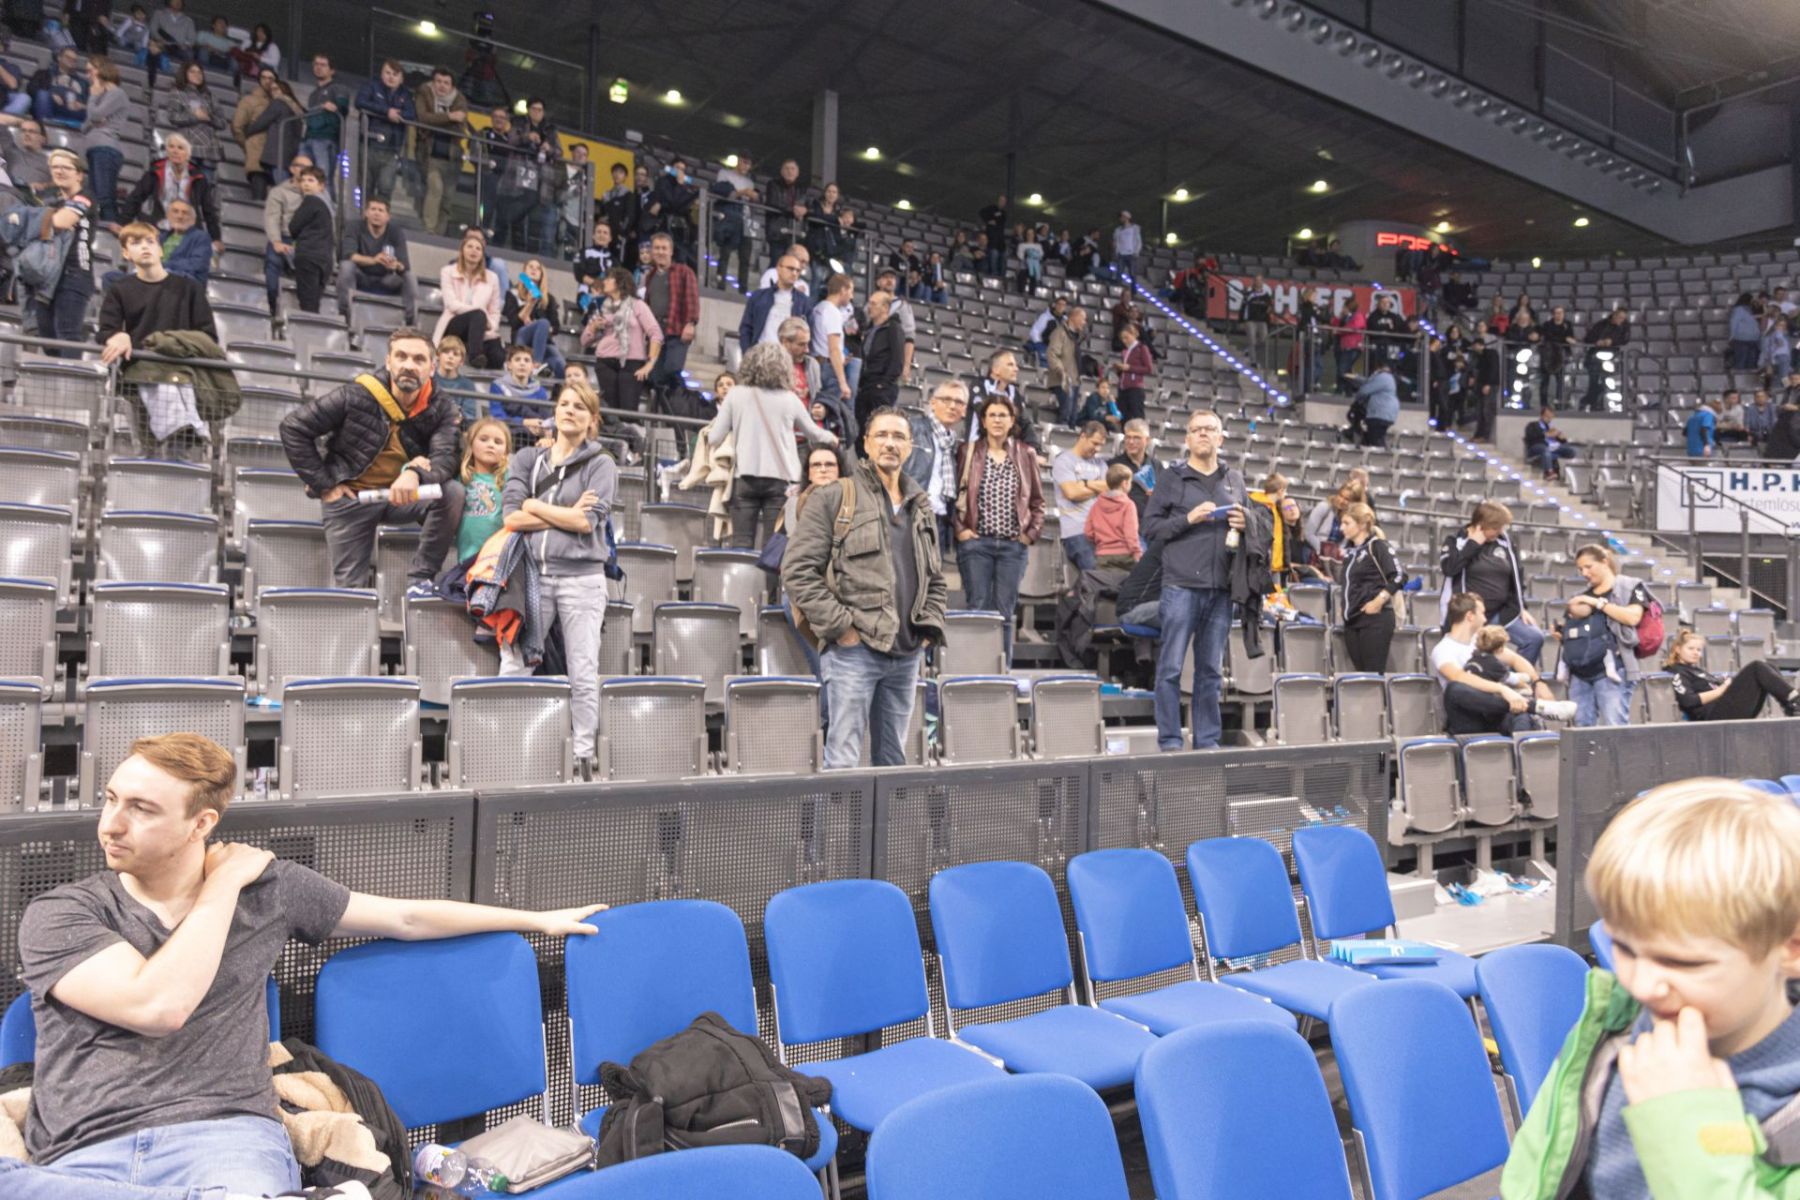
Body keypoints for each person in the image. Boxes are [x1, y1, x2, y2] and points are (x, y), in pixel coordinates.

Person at [2, 731, 603, 1200]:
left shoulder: (271, 891)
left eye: (141, 809)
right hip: (84, 1150)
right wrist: (223, 885)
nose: (110, 823)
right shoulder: (63, 913)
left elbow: (406, 917)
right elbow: (157, 1005)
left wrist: (535, 918)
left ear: (201, 824)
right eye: (111, 799)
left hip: (223, 1137)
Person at [1501, 779, 1800, 1199]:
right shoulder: (1614, 1024)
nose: (1640, 984)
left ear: (1791, 949)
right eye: (1623, 948)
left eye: (1682, 962)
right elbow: (1538, 1168)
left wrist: (1685, 1125)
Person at [784, 406, 946, 769]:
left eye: (899, 436)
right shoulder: (834, 496)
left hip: (906, 654)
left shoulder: (921, 506)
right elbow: (797, 571)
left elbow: (935, 578)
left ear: (910, 447)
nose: (890, 443)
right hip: (853, 652)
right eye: (882, 435)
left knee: (893, 760)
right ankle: (842, 815)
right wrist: (842, 629)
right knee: (842, 760)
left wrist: (928, 629)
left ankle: (883, 814)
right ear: (866, 444)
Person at [277, 328, 465, 592]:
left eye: (419, 359)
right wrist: (324, 484)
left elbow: (445, 457)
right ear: (388, 361)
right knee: (351, 592)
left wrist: (415, 473)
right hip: (351, 497)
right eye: (401, 356)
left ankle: (421, 579)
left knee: (452, 493)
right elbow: (294, 427)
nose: (409, 365)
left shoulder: (443, 407)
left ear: (432, 368)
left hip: (400, 495)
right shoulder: (356, 394)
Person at [498, 383, 614, 763]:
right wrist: (561, 512)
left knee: (583, 671)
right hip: (533, 576)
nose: (570, 411)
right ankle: (505, 750)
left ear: (592, 419)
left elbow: (585, 523)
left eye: (580, 407)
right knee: (515, 664)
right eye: (564, 404)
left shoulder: (601, 464)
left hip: (583, 580)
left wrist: (534, 506)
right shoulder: (529, 459)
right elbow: (511, 517)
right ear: (555, 412)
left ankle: (583, 755)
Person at [1144, 409, 1247, 751]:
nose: (1203, 433)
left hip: (1221, 590)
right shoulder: (1171, 478)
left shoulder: (1235, 480)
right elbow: (1150, 528)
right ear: (1187, 438)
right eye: (1196, 429)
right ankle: (1170, 742)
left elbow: (1252, 525)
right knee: (1171, 668)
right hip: (1181, 586)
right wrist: (1187, 519)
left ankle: (1207, 742)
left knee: (1211, 672)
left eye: (1210, 429)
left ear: (1221, 438)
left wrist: (1246, 524)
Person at [707, 341, 837, 550]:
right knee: (774, 548)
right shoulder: (790, 399)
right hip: (782, 481)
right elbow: (814, 433)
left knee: (740, 545)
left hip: (744, 477)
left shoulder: (736, 394)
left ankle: (741, 572)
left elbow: (714, 437)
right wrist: (832, 438)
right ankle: (768, 573)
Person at [953, 393, 1043, 663]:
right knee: (977, 609)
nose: (997, 420)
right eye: (991, 415)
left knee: (1005, 613)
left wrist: (1029, 535)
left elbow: (1037, 501)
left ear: (1012, 420)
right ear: (983, 420)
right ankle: (974, 668)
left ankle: (1001, 670)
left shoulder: (1026, 453)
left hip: (1012, 547)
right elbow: (954, 493)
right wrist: (960, 530)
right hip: (976, 544)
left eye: (1003, 415)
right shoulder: (968, 451)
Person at [1431, 593, 1573, 734]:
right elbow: (1459, 677)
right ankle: (1534, 707)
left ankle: (1523, 742)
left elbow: (1516, 660)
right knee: (1454, 688)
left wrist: (1538, 682)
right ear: (1470, 616)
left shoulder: (1480, 641)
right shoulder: (1442, 649)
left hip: (1495, 712)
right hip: (1468, 718)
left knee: (1520, 714)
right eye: (1482, 613)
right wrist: (1503, 689)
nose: (1485, 618)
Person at [1440, 499, 1544, 666]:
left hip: (1500, 613)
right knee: (1474, 660)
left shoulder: (1505, 542)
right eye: (1496, 528)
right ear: (1481, 525)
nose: (1500, 531)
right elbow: (1449, 569)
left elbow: (1517, 575)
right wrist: (1473, 544)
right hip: (1469, 616)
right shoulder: (1456, 541)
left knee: (1534, 638)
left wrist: (1521, 607)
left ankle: (1512, 680)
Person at [1560, 544, 1651, 728]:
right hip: (1580, 671)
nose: (1584, 573)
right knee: (1581, 728)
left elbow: (1632, 617)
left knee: (1614, 726)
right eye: (1580, 569)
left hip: (1613, 669)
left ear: (1604, 562)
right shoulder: (1579, 596)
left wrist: (1598, 603)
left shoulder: (1629, 586)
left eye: (1588, 567)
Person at [30, 150, 94, 357]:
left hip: (74, 274)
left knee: (68, 336)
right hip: (46, 275)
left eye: (66, 167)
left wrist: (33, 221)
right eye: (55, 167)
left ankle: (70, 378)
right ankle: (54, 377)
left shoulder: (86, 197)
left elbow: (60, 222)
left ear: (79, 174)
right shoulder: (53, 202)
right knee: (47, 339)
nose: (59, 171)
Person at [1663, 628, 1800, 723]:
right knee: (1757, 667)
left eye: (1698, 650)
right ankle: (1795, 700)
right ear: (1678, 649)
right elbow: (1688, 700)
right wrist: (1721, 690)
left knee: (1770, 667)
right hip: (1713, 718)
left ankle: (1791, 706)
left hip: (1725, 709)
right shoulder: (1676, 671)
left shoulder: (1697, 670)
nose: (1696, 653)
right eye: (1691, 649)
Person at [580, 265, 662, 414]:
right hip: (605, 361)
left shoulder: (638, 305)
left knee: (628, 411)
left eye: (609, 278)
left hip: (632, 362)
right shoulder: (600, 306)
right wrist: (593, 327)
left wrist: (649, 364)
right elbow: (584, 341)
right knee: (609, 411)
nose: (604, 281)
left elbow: (656, 334)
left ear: (620, 282)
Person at [902, 379, 969, 559]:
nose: (952, 406)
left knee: (929, 574)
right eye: (946, 400)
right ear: (932, 403)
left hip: (938, 520)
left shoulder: (953, 445)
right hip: (909, 515)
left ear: (964, 410)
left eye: (959, 402)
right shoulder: (911, 429)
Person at [118, 132, 220, 243]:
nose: (175, 151)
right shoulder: (155, 172)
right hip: (160, 229)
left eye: (180, 148)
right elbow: (135, 197)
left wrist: (216, 238)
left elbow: (208, 210)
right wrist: (123, 223)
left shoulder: (198, 177)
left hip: (189, 233)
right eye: (171, 147)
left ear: (188, 153)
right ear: (167, 150)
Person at [333, 195, 416, 327]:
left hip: (386, 279)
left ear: (388, 216)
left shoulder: (396, 232)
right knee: (346, 266)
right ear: (366, 213)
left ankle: (409, 322)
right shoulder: (354, 226)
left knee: (409, 276)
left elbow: (404, 265)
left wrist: (396, 265)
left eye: (380, 210)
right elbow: (348, 255)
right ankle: (345, 314)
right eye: (373, 209)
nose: (376, 213)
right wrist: (374, 260)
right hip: (361, 276)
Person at [1340, 501, 1403, 673]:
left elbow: (1399, 576)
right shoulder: (1350, 552)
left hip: (1375, 619)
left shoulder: (1378, 546)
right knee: (1361, 677)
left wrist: (1378, 601)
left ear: (1362, 525)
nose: (1341, 528)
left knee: (1372, 675)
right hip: (1352, 620)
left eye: (1346, 523)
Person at [640, 230, 701, 403]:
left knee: (672, 369)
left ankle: (687, 403)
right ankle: (665, 409)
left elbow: (692, 299)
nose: (660, 252)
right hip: (655, 333)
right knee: (655, 375)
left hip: (677, 330)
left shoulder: (684, 272)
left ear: (671, 251)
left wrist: (691, 323)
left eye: (664, 248)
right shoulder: (650, 276)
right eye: (657, 248)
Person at [433, 228, 504, 369]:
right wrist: (480, 313)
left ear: (482, 254)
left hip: (481, 326)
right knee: (478, 315)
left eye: (478, 248)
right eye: (470, 246)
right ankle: (475, 356)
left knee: (498, 357)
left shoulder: (492, 278)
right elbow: (451, 304)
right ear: (462, 250)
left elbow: (495, 311)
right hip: (454, 323)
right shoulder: (448, 271)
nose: (474, 251)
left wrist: (491, 324)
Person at [232, 67, 302, 203]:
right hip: (258, 152)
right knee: (261, 192)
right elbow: (237, 126)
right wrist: (247, 145)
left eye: (271, 78)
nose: (267, 81)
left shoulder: (282, 102)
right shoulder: (249, 100)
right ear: (258, 80)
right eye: (264, 78)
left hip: (276, 152)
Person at [354, 59, 416, 210]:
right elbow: (360, 102)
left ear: (401, 78)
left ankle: (381, 216)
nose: (391, 77)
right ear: (381, 74)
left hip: (392, 149)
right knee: (365, 186)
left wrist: (396, 114)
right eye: (387, 73)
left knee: (386, 187)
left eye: (395, 74)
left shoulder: (406, 94)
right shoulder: (371, 85)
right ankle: (363, 215)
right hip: (368, 144)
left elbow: (411, 114)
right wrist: (386, 112)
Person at [1053, 421, 1110, 573]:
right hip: (1077, 531)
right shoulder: (1064, 461)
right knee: (1096, 574)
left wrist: (1084, 483)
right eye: (1095, 443)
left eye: (1101, 445)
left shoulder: (1101, 464)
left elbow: (1110, 489)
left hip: (1101, 531)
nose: (1097, 449)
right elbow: (1072, 493)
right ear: (1083, 436)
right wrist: (1098, 486)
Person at [454, 415, 509, 564]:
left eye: (498, 442)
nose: (491, 445)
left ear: (506, 451)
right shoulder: (462, 477)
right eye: (483, 439)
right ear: (471, 444)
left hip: (499, 559)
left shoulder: (508, 478)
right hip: (467, 559)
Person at [156, 63, 227, 176]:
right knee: (186, 183)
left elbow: (223, 123)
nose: (197, 75)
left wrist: (209, 118)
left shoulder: (210, 96)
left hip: (209, 151)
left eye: (199, 72)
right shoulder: (177, 92)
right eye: (192, 71)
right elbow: (172, 117)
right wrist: (195, 117)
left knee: (205, 184)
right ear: (185, 74)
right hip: (188, 148)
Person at [80, 56, 126, 226]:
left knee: (104, 197)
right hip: (96, 150)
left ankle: (110, 231)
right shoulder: (102, 97)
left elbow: (95, 115)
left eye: (90, 71)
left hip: (106, 150)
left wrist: (93, 98)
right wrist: (95, 117)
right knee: (96, 198)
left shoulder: (117, 93)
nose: (87, 76)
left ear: (102, 70)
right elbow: (85, 126)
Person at [502, 257, 566, 377]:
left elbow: (556, 327)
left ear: (542, 275)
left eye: (538, 268)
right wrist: (530, 304)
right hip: (522, 336)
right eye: (530, 267)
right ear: (524, 271)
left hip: (543, 342)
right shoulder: (513, 293)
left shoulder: (548, 298)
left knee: (561, 365)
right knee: (543, 322)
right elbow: (514, 322)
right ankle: (536, 364)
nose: (534, 270)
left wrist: (543, 328)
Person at [284, 167, 333, 314]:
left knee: (307, 304)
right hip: (324, 259)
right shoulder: (328, 207)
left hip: (308, 256)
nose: (306, 184)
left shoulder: (311, 201)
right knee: (314, 302)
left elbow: (293, 227)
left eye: (311, 180)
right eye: (303, 180)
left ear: (321, 186)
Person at [740, 251, 814, 347]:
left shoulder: (804, 302)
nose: (794, 273)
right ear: (779, 268)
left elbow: (809, 334)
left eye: (798, 270)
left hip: (787, 353)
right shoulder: (759, 296)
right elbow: (746, 328)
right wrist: (748, 352)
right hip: (761, 350)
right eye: (790, 269)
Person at [855, 290, 903, 431]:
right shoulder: (869, 329)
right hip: (866, 386)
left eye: (873, 304)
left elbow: (897, 359)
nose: (869, 307)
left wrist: (883, 384)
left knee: (878, 428)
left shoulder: (893, 328)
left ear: (885, 308)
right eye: (869, 303)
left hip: (881, 387)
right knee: (863, 430)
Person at [810, 272, 856, 417]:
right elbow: (834, 349)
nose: (852, 297)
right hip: (828, 369)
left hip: (816, 364)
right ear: (843, 290)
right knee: (829, 413)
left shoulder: (818, 308)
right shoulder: (832, 312)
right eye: (851, 291)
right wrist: (843, 383)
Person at [298, 53, 351, 177]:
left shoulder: (339, 88)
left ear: (332, 70)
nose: (318, 67)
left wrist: (336, 107)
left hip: (326, 139)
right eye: (316, 64)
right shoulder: (313, 94)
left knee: (323, 178)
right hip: (308, 138)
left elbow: (342, 109)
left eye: (323, 65)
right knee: (302, 175)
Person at [1086, 464, 1141, 568]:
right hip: (1125, 556)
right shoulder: (1128, 505)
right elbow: (1131, 533)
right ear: (1125, 483)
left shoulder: (1096, 505)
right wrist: (1137, 552)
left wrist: (1101, 543)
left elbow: (1088, 531)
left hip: (1103, 555)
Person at [487, 344, 550, 433]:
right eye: (517, 359)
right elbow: (497, 417)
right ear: (509, 365)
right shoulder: (498, 386)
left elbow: (546, 420)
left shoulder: (540, 391)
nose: (522, 363)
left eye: (526, 360)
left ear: (532, 366)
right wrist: (524, 422)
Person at [1582, 307, 1631, 412]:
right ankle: (1591, 403)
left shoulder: (1624, 327)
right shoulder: (1601, 325)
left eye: (1623, 318)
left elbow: (1625, 340)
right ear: (1614, 315)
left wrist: (1612, 342)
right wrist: (1598, 341)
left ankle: (1596, 403)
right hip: (1595, 357)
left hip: (1612, 358)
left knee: (1605, 383)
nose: (1621, 320)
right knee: (1594, 382)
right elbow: (1588, 338)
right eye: (1619, 317)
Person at [1047, 304, 1084, 426]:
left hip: (1074, 381)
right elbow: (1052, 354)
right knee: (1065, 415)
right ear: (1074, 317)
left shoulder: (1075, 337)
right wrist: (1061, 371)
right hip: (1063, 381)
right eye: (1082, 319)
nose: (1084, 323)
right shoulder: (1059, 333)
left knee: (1073, 418)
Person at [1113, 322, 1153, 425]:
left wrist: (1129, 368)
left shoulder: (1142, 348)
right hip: (1123, 388)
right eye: (1122, 338)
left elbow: (1148, 369)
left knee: (1137, 416)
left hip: (1135, 388)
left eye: (1126, 337)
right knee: (1123, 417)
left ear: (1134, 334)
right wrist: (1119, 370)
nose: (1124, 341)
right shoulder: (1125, 351)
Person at [1525, 405, 1577, 479]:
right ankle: (1549, 472)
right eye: (1547, 416)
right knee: (1545, 449)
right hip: (1537, 446)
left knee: (1571, 450)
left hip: (1552, 448)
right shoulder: (1533, 425)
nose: (1549, 419)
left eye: (1550, 417)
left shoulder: (1550, 427)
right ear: (1542, 415)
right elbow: (1530, 436)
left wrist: (1562, 438)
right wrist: (1546, 435)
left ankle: (1551, 461)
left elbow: (1561, 441)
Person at [1354, 364, 1399, 448]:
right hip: (1385, 413)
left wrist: (1358, 398)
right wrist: (1357, 378)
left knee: (1376, 440)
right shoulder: (1388, 378)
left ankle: (1382, 455)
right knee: (1373, 438)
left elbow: (1365, 390)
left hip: (1379, 413)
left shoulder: (1383, 377)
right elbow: (1369, 382)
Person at [1727, 292, 1762, 370]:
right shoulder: (1739, 309)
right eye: (1752, 300)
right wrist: (1732, 336)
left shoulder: (1751, 310)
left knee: (1751, 363)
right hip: (1742, 340)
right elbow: (1734, 323)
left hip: (1753, 340)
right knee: (1741, 362)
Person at [1111, 210, 1141, 283]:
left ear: (1127, 217)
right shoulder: (1118, 230)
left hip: (1131, 253)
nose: (1120, 218)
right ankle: (1118, 287)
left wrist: (1136, 251)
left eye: (1122, 217)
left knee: (1132, 273)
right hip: (1121, 254)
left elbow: (1138, 241)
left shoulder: (1134, 228)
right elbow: (1116, 241)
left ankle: (1133, 288)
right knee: (1119, 273)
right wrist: (1116, 250)